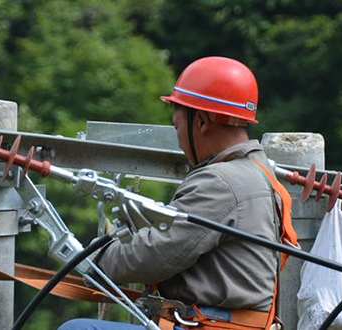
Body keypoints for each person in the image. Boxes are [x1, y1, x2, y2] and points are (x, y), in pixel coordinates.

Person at [59, 56, 295, 330]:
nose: (180, 141)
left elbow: (157, 253)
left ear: (203, 122)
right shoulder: (259, 173)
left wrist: (94, 260)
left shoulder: (221, 182)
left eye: (177, 126)